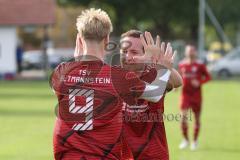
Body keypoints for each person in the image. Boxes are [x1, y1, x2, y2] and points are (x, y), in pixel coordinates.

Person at [51, 8, 174, 160]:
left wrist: (78, 62)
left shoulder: (61, 72)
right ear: (107, 40)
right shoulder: (117, 77)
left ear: (80, 39)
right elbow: (155, 94)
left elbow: (82, 84)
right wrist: (164, 68)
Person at [120, 30, 182, 159]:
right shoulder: (114, 77)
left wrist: (161, 64)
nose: (128, 57)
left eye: (134, 52)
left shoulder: (154, 74)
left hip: (153, 154)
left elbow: (177, 82)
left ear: (146, 54)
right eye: (124, 51)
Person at [178, 44, 211, 150]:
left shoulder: (200, 65)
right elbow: (179, 77)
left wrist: (200, 82)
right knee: (183, 118)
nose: (190, 53)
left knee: (196, 119)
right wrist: (176, 86)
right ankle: (186, 140)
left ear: (195, 52)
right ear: (185, 52)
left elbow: (208, 77)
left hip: (196, 96)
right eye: (188, 51)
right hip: (185, 95)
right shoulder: (182, 64)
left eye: (192, 51)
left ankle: (195, 141)